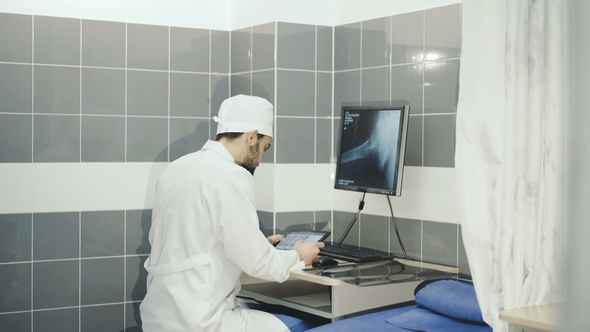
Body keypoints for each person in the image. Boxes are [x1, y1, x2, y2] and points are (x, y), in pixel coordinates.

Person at [139, 94, 325, 331]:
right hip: (201, 322)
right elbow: (262, 265)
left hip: (160, 318)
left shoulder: (178, 167)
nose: (260, 160)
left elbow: (192, 241)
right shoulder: (231, 175)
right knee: (308, 325)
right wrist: (298, 254)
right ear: (251, 137)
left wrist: (259, 243)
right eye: (264, 148)